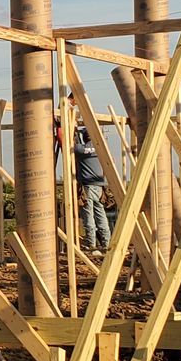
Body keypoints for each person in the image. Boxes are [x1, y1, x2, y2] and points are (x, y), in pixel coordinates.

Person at [58, 95, 113, 252]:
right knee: (100, 214)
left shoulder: (80, 150)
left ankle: (91, 243)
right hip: (101, 187)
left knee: (88, 216)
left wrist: (67, 129)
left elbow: (66, 143)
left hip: (88, 188)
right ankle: (107, 242)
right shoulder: (102, 149)